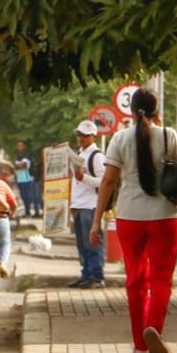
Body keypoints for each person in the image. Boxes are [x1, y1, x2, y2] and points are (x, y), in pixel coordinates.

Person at [89, 88, 177, 353]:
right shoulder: (170, 137)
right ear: (157, 111)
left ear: (132, 112)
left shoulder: (119, 139)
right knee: (161, 279)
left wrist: (96, 221)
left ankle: (140, 346)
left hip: (129, 217)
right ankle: (153, 329)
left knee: (135, 279)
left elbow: (108, 181)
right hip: (165, 216)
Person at [69, 120, 106, 288]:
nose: (81, 138)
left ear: (93, 136)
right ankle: (86, 274)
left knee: (92, 241)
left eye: (84, 135)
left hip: (90, 205)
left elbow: (104, 182)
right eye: (79, 135)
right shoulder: (79, 154)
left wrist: (84, 178)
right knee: (81, 242)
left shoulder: (97, 156)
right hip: (78, 204)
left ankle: (96, 275)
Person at [0, 175, 20, 282]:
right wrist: (11, 215)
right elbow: (14, 204)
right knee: (4, 243)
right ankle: (2, 263)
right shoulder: (2, 184)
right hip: (1, 219)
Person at [14, 140, 39, 218]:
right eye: (18, 145)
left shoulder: (28, 155)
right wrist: (19, 165)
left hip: (28, 179)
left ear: (24, 146)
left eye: (21, 145)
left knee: (31, 196)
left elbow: (24, 165)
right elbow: (16, 166)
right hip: (20, 180)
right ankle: (27, 212)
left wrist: (19, 165)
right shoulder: (18, 156)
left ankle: (36, 212)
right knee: (24, 197)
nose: (20, 147)